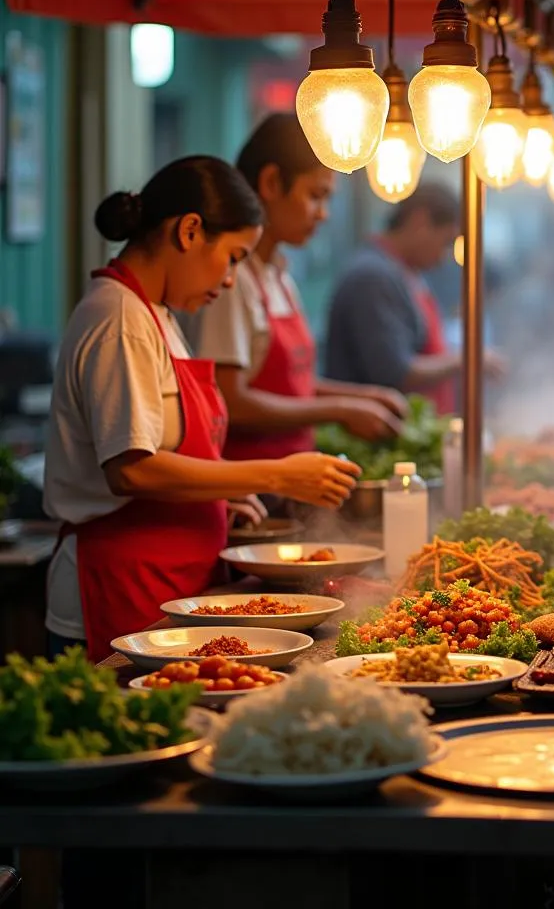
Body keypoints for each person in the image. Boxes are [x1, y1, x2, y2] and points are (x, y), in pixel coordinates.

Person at [43, 156, 360, 660]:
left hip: (170, 578)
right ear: (190, 231)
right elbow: (132, 470)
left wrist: (216, 496)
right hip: (120, 581)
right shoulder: (119, 317)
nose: (232, 279)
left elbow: (163, 448)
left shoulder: (157, 315)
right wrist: (275, 475)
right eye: (233, 256)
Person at [186, 113, 407, 459]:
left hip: (291, 478)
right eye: (316, 195)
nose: (323, 214)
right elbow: (230, 400)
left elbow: (293, 389)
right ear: (272, 183)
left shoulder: (278, 274)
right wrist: (339, 411)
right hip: (249, 490)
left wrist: (359, 397)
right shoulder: (231, 280)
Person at [324, 182, 504, 414]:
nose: (444, 256)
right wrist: (467, 358)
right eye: (446, 241)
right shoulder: (373, 277)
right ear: (420, 221)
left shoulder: (406, 274)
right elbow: (396, 372)